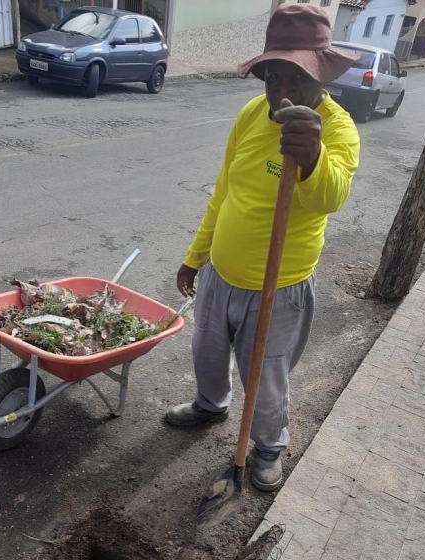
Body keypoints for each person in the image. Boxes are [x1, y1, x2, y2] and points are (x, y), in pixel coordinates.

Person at [166, 4, 361, 492]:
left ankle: (269, 446)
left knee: (266, 375)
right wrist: (196, 256)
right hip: (220, 273)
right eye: (274, 77)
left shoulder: (337, 129)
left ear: (321, 77)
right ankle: (211, 405)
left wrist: (312, 155)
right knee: (208, 352)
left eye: (297, 77)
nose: (282, 90)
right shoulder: (252, 114)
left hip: (279, 285)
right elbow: (224, 191)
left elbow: (330, 197)